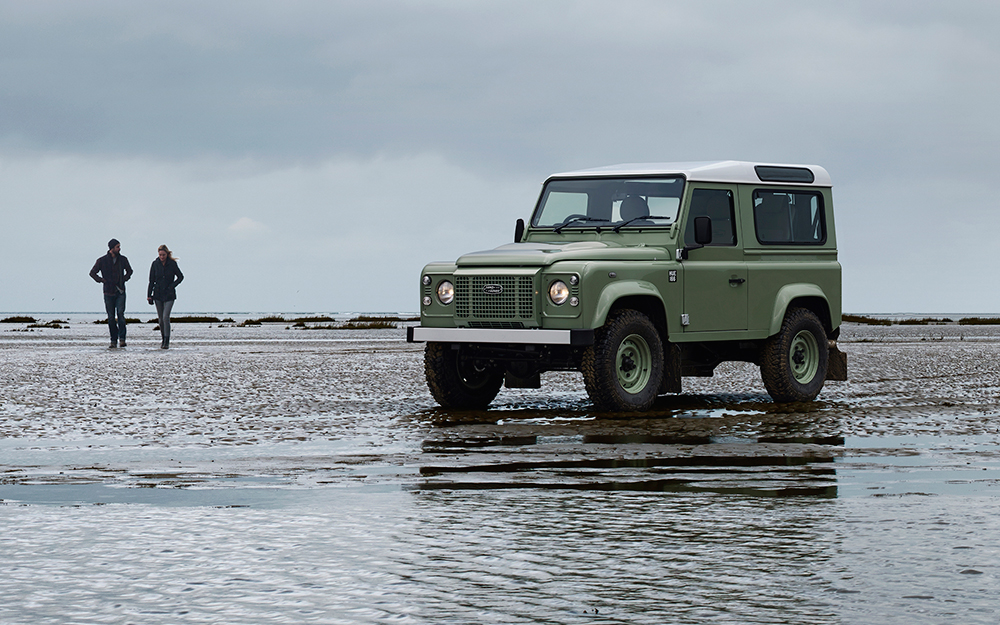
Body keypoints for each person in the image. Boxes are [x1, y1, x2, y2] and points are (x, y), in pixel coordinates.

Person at [90, 238, 133, 348]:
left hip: (120, 291)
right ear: (112, 248)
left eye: (119, 246)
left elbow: (130, 271)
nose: (119, 248)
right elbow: (92, 273)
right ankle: (113, 340)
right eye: (117, 247)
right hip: (108, 292)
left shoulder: (123, 259)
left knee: (120, 314)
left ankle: (122, 339)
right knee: (110, 317)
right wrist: (101, 280)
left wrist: (124, 279)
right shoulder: (102, 260)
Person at [147, 245, 184, 349]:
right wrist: (149, 295)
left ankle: (167, 341)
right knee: (160, 319)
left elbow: (180, 277)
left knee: (165, 317)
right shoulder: (155, 264)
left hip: (169, 294)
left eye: (163, 255)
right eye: (160, 255)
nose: (162, 257)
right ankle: (163, 339)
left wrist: (172, 286)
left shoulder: (172, 264)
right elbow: (151, 281)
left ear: (167, 254)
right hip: (157, 294)